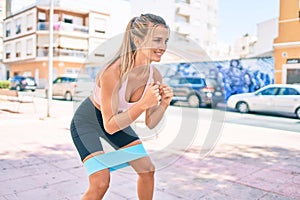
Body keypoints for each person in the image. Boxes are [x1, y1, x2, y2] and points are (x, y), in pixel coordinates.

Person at [70, 13, 173, 200]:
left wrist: (164, 104)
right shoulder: (113, 72)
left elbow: (150, 122)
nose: (162, 47)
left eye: (165, 41)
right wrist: (142, 104)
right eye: (157, 40)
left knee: (147, 170)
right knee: (101, 182)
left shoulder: (154, 75)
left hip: (118, 120)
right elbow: (109, 125)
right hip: (88, 121)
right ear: (137, 39)